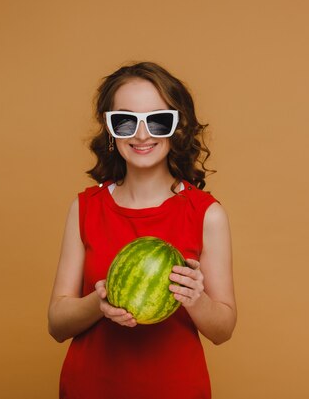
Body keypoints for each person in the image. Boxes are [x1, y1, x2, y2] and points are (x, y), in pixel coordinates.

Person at [48, 61, 236, 399]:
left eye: (157, 120)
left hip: (176, 389)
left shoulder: (207, 214)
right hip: (89, 388)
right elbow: (57, 324)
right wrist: (99, 301)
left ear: (176, 128)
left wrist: (196, 299)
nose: (142, 134)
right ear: (110, 131)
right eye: (125, 120)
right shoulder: (85, 207)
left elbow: (223, 330)